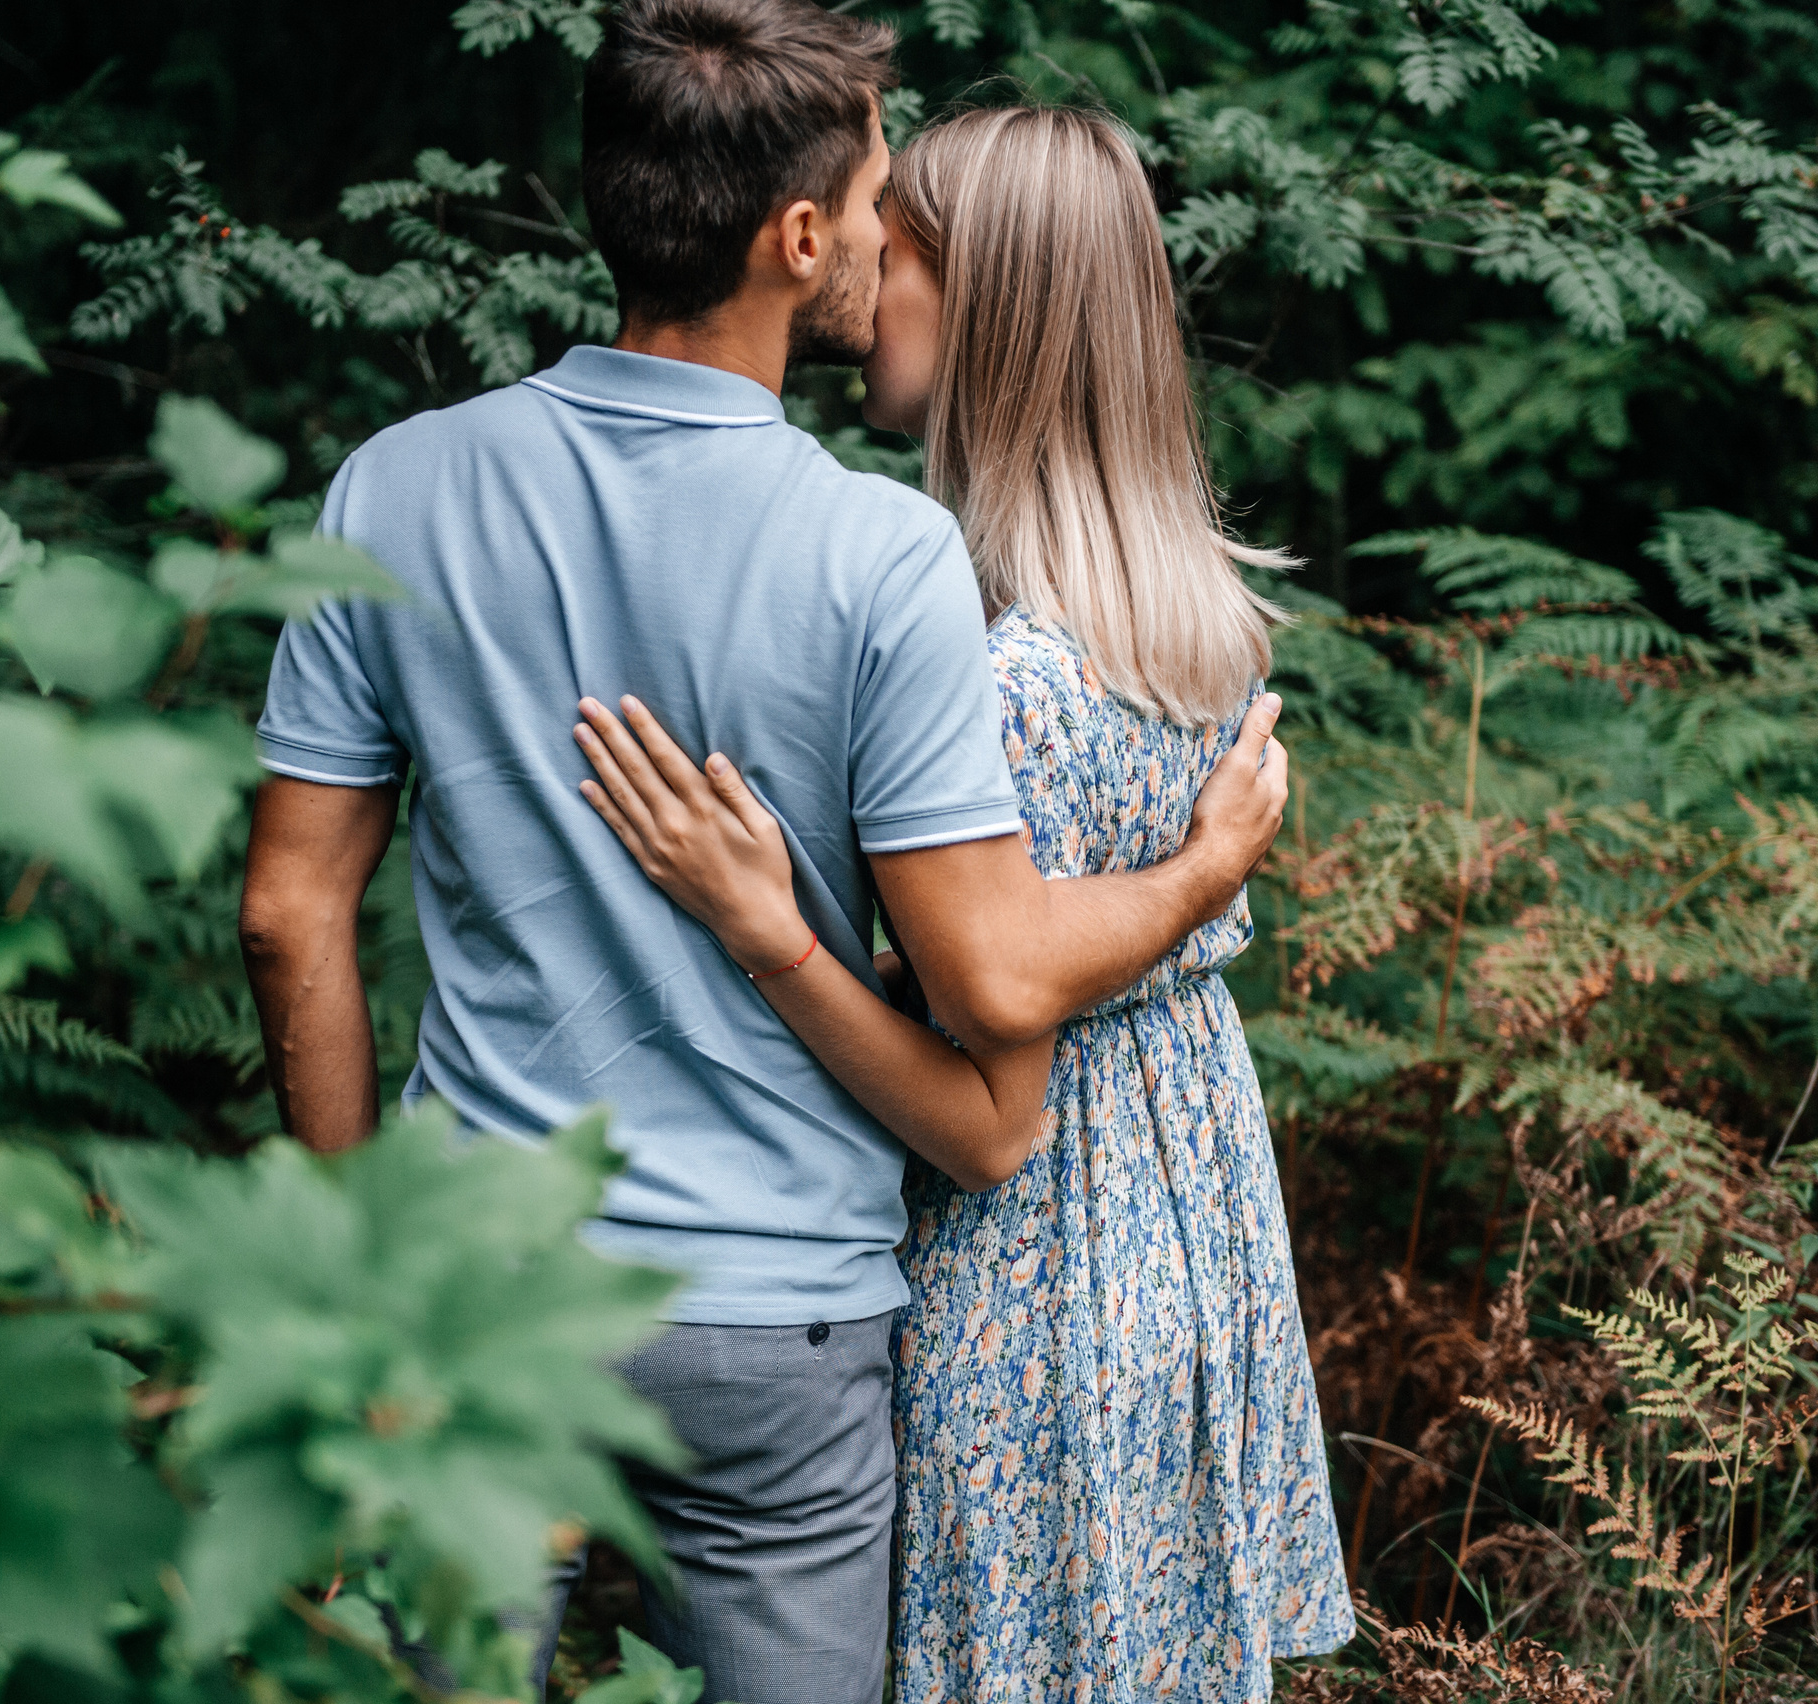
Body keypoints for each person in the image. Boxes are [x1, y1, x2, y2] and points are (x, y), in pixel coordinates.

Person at [233, 1, 1290, 1698]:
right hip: (776, 1323)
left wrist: (366, 1281)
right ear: (799, 239)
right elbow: (993, 991)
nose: (879, 237)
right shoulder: (887, 559)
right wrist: (1198, 880)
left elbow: (291, 919)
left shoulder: (393, 490)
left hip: (470, 1289)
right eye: (873, 202)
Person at [568, 106, 1354, 1702]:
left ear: (986, 304)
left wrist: (771, 934)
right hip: (1188, 1210)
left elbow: (990, 1068)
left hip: (1040, 1268)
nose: (857, 274)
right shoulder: (1192, 623)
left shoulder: (1010, 683)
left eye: (899, 250)